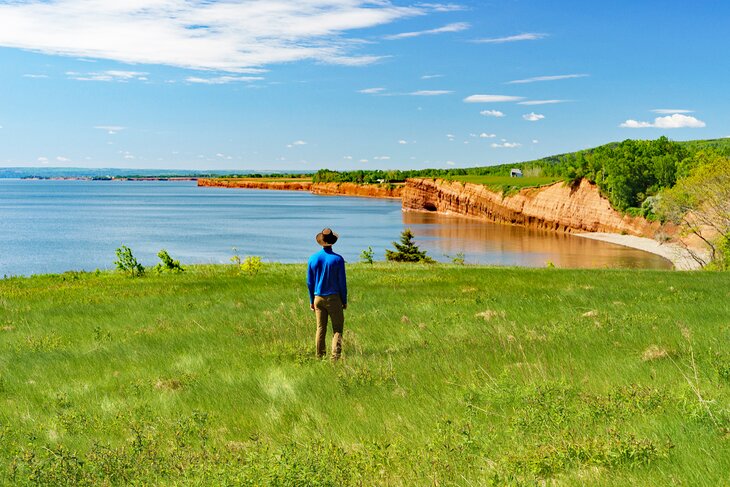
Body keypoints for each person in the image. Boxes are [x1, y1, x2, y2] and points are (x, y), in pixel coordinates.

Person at [307, 228, 347, 360]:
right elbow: (342, 283)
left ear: (321, 241)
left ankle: (320, 357)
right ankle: (335, 358)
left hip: (318, 298)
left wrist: (311, 300)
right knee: (337, 329)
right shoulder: (338, 259)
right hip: (334, 298)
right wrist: (344, 300)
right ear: (332, 242)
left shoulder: (313, 259)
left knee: (320, 328)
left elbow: (309, 282)